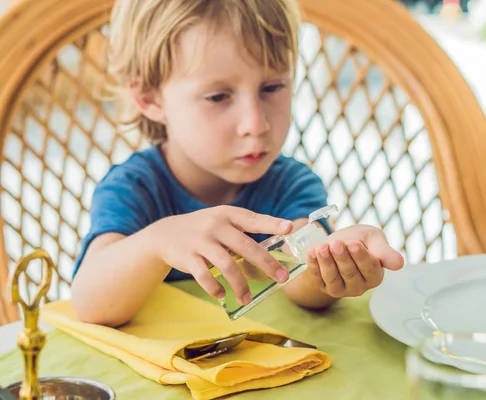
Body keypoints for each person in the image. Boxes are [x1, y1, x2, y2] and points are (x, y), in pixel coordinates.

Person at [71, 0, 405, 327]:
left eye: (272, 87)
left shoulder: (290, 184)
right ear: (150, 99)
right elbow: (89, 302)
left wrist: (334, 260)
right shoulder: (134, 187)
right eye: (218, 97)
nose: (256, 124)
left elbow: (303, 287)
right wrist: (158, 240)